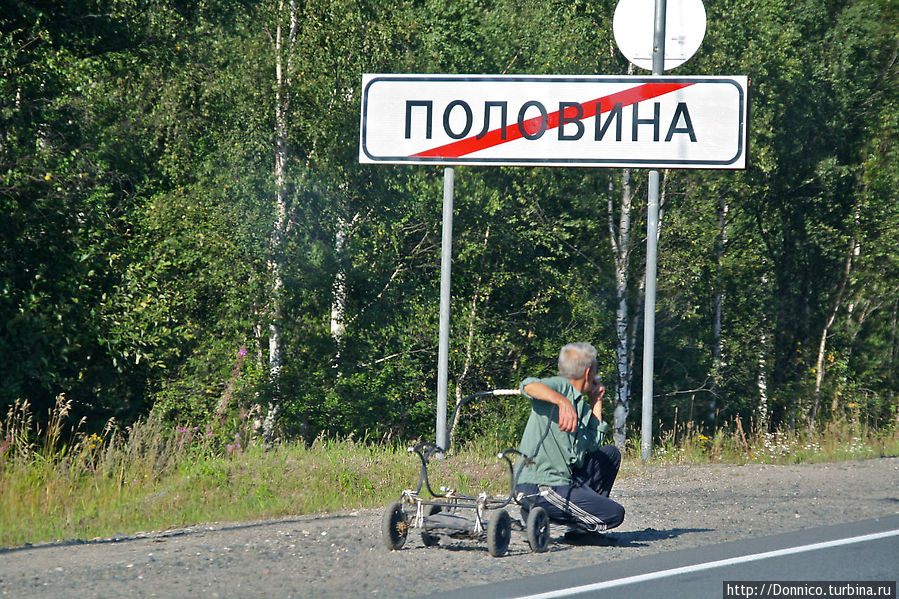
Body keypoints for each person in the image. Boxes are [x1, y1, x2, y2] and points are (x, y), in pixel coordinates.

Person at [515, 342, 625, 536]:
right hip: (541, 485)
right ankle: (541, 522)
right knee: (614, 514)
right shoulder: (560, 387)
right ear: (589, 372)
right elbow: (528, 385)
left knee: (610, 454)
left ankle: (580, 529)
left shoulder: (580, 403)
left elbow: (593, 444)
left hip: (566, 481)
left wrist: (596, 401)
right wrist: (561, 401)